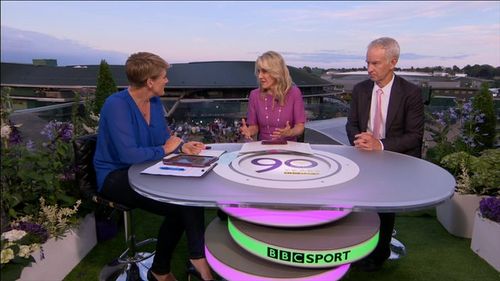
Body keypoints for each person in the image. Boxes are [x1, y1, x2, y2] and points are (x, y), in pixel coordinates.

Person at [94, 52, 215, 281]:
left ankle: (168, 268)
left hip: (146, 168)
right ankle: (187, 262)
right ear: (150, 82)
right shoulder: (116, 105)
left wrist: (182, 147)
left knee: (189, 197)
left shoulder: (155, 101)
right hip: (114, 175)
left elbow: (163, 140)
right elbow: (129, 155)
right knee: (182, 205)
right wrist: (166, 149)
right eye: (163, 77)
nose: (167, 81)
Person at [345, 37, 424, 271]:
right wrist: (360, 140)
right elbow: (351, 125)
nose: (369, 69)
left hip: (394, 159)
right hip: (363, 156)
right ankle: (358, 247)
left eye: (376, 63)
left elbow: (414, 136)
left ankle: (379, 253)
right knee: (360, 206)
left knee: (384, 208)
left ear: (393, 62)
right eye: (367, 63)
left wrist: (378, 144)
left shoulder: (411, 93)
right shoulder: (360, 89)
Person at [240, 51, 306, 142]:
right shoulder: (254, 95)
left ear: (277, 72)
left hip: (289, 148)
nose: (260, 76)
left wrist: (289, 132)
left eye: (264, 71)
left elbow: (300, 127)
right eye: (259, 71)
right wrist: (249, 131)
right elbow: (254, 126)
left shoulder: (294, 93)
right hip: (262, 148)